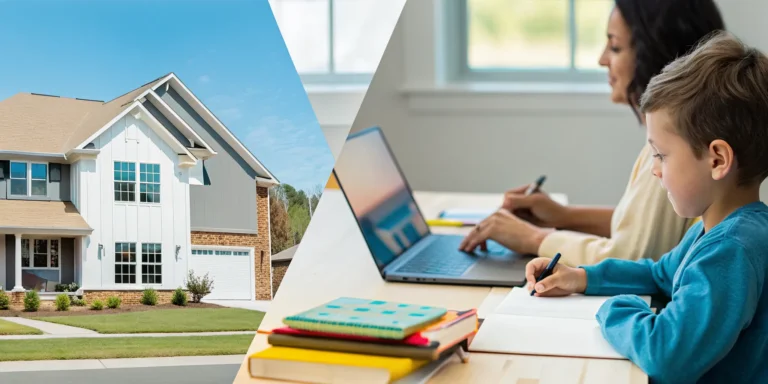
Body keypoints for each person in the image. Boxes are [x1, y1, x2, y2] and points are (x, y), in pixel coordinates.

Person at [524, 32, 768, 383]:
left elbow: (667, 356)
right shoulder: (720, 229)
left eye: (661, 154)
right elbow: (658, 274)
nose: (654, 168)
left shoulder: (730, 252)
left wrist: (614, 307)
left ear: (717, 159)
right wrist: (582, 278)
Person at [458, 0, 726, 266]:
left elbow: (631, 257)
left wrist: (534, 238)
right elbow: (642, 229)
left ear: (656, 52)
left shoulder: (676, 153)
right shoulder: (693, 137)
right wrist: (563, 216)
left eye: (615, 46)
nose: (602, 59)